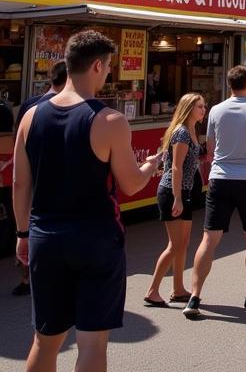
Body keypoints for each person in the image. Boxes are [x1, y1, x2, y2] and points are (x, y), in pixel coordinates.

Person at [12, 30, 162, 372]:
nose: (108, 72)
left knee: (44, 339)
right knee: (93, 343)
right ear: (96, 65)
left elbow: (21, 183)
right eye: (108, 66)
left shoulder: (31, 117)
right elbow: (131, 183)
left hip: (45, 236)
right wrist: (149, 166)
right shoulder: (110, 120)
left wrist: (22, 234)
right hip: (97, 239)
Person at [183, 64, 246, 320]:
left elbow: (211, 148)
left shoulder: (215, 110)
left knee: (209, 239)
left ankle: (195, 295)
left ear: (229, 85)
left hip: (220, 178)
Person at [10, 60, 69, 297]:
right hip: (52, 178)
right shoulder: (69, 107)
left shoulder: (29, 105)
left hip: (29, 171)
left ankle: (25, 276)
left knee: (26, 223)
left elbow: (18, 140)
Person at [145, 92, 206, 306]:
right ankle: (152, 290)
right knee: (175, 244)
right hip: (173, 191)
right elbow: (176, 167)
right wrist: (178, 198)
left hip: (185, 191)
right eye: (200, 106)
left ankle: (178, 289)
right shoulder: (181, 133)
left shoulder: (191, 130)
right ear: (189, 108)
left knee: (183, 243)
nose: (203, 110)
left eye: (204, 106)